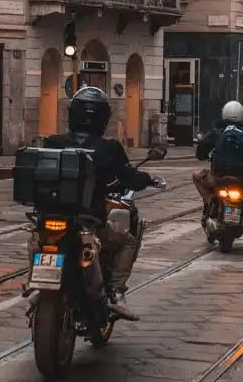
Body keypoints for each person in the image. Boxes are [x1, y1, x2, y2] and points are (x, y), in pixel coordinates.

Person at [39, 86, 161, 321]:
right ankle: (115, 290)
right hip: (87, 222)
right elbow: (130, 179)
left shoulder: (52, 143)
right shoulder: (109, 148)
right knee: (127, 240)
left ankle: (39, 284)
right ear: (103, 118)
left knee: (37, 240)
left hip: (50, 219)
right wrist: (146, 179)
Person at [193, 101, 243, 224]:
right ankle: (242, 205)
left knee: (197, 177)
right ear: (241, 115)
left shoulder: (215, 132)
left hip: (217, 176)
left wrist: (203, 155)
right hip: (240, 178)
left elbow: (200, 152)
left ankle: (208, 202)